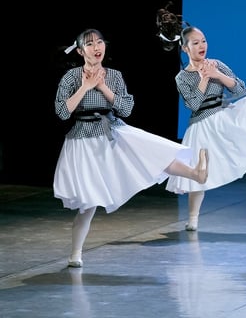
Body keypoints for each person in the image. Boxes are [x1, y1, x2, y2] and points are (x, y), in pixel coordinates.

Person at [54, 29, 209, 268]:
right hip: (83, 140)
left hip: (111, 130)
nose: (97, 47)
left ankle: (195, 173)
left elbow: (126, 109)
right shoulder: (71, 77)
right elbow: (63, 112)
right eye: (90, 44)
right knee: (88, 203)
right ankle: (75, 253)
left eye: (99, 42)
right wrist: (86, 86)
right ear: (80, 51)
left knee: (149, 152)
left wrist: (102, 86)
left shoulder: (114, 76)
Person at [165, 26, 246, 231]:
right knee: (199, 172)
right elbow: (193, 104)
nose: (202, 45)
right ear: (185, 48)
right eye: (196, 43)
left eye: (203, 41)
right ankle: (193, 218)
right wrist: (204, 78)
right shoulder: (182, 77)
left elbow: (240, 88)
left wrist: (217, 74)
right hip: (201, 125)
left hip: (222, 116)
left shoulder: (216, 64)